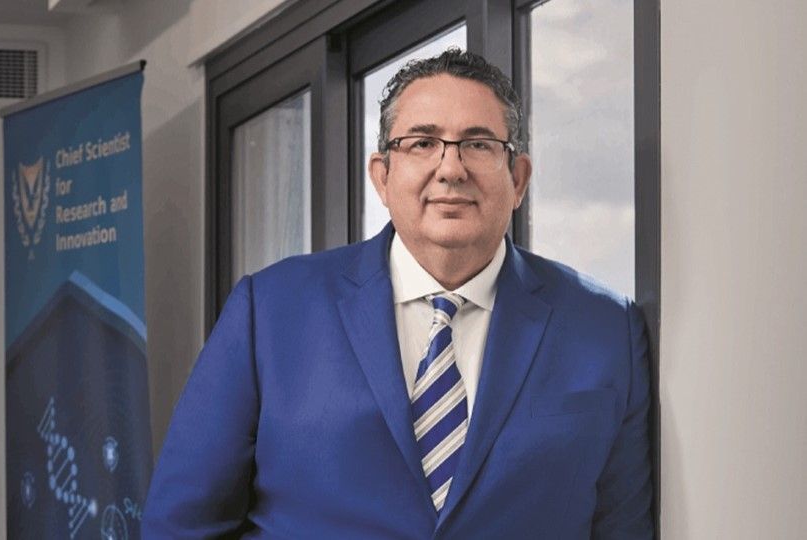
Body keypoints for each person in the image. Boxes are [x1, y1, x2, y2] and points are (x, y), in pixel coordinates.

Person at [142, 49, 652, 539]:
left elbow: (622, 529)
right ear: (382, 176)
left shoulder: (606, 329)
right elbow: (181, 525)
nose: (451, 169)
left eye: (478, 144)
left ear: (517, 179)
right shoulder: (271, 310)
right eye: (423, 143)